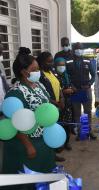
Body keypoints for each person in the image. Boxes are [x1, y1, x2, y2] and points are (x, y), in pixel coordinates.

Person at [1, 47, 55, 189]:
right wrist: (28, 145)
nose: (39, 72)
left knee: (44, 179)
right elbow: (14, 122)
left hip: (44, 141)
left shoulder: (39, 86)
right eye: (35, 69)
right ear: (24, 72)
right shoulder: (15, 93)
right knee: (27, 182)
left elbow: (46, 110)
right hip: (26, 144)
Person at [66, 42, 96, 140]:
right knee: (77, 113)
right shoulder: (69, 61)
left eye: (81, 48)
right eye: (77, 48)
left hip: (86, 90)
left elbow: (93, 74)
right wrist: (71, 86)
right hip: (75, 91)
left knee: (87, 112)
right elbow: (67, 75)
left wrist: (90, 84)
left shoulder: (88, 60)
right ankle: (80, 133)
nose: (79, 50)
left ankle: (89, 131)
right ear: (73, 49)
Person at [54, 57, 76, 151]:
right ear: (55, 66)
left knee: (67, 124)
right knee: (58, 125)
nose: (62, 67)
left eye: (63, 65)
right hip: (58, 104)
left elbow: (71, 85)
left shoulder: (67, 75)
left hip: (68, 104)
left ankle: (66, 142)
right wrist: (64, 91)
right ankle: (58, 144)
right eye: (59, 65)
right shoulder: (53, 77)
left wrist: (73, 89)